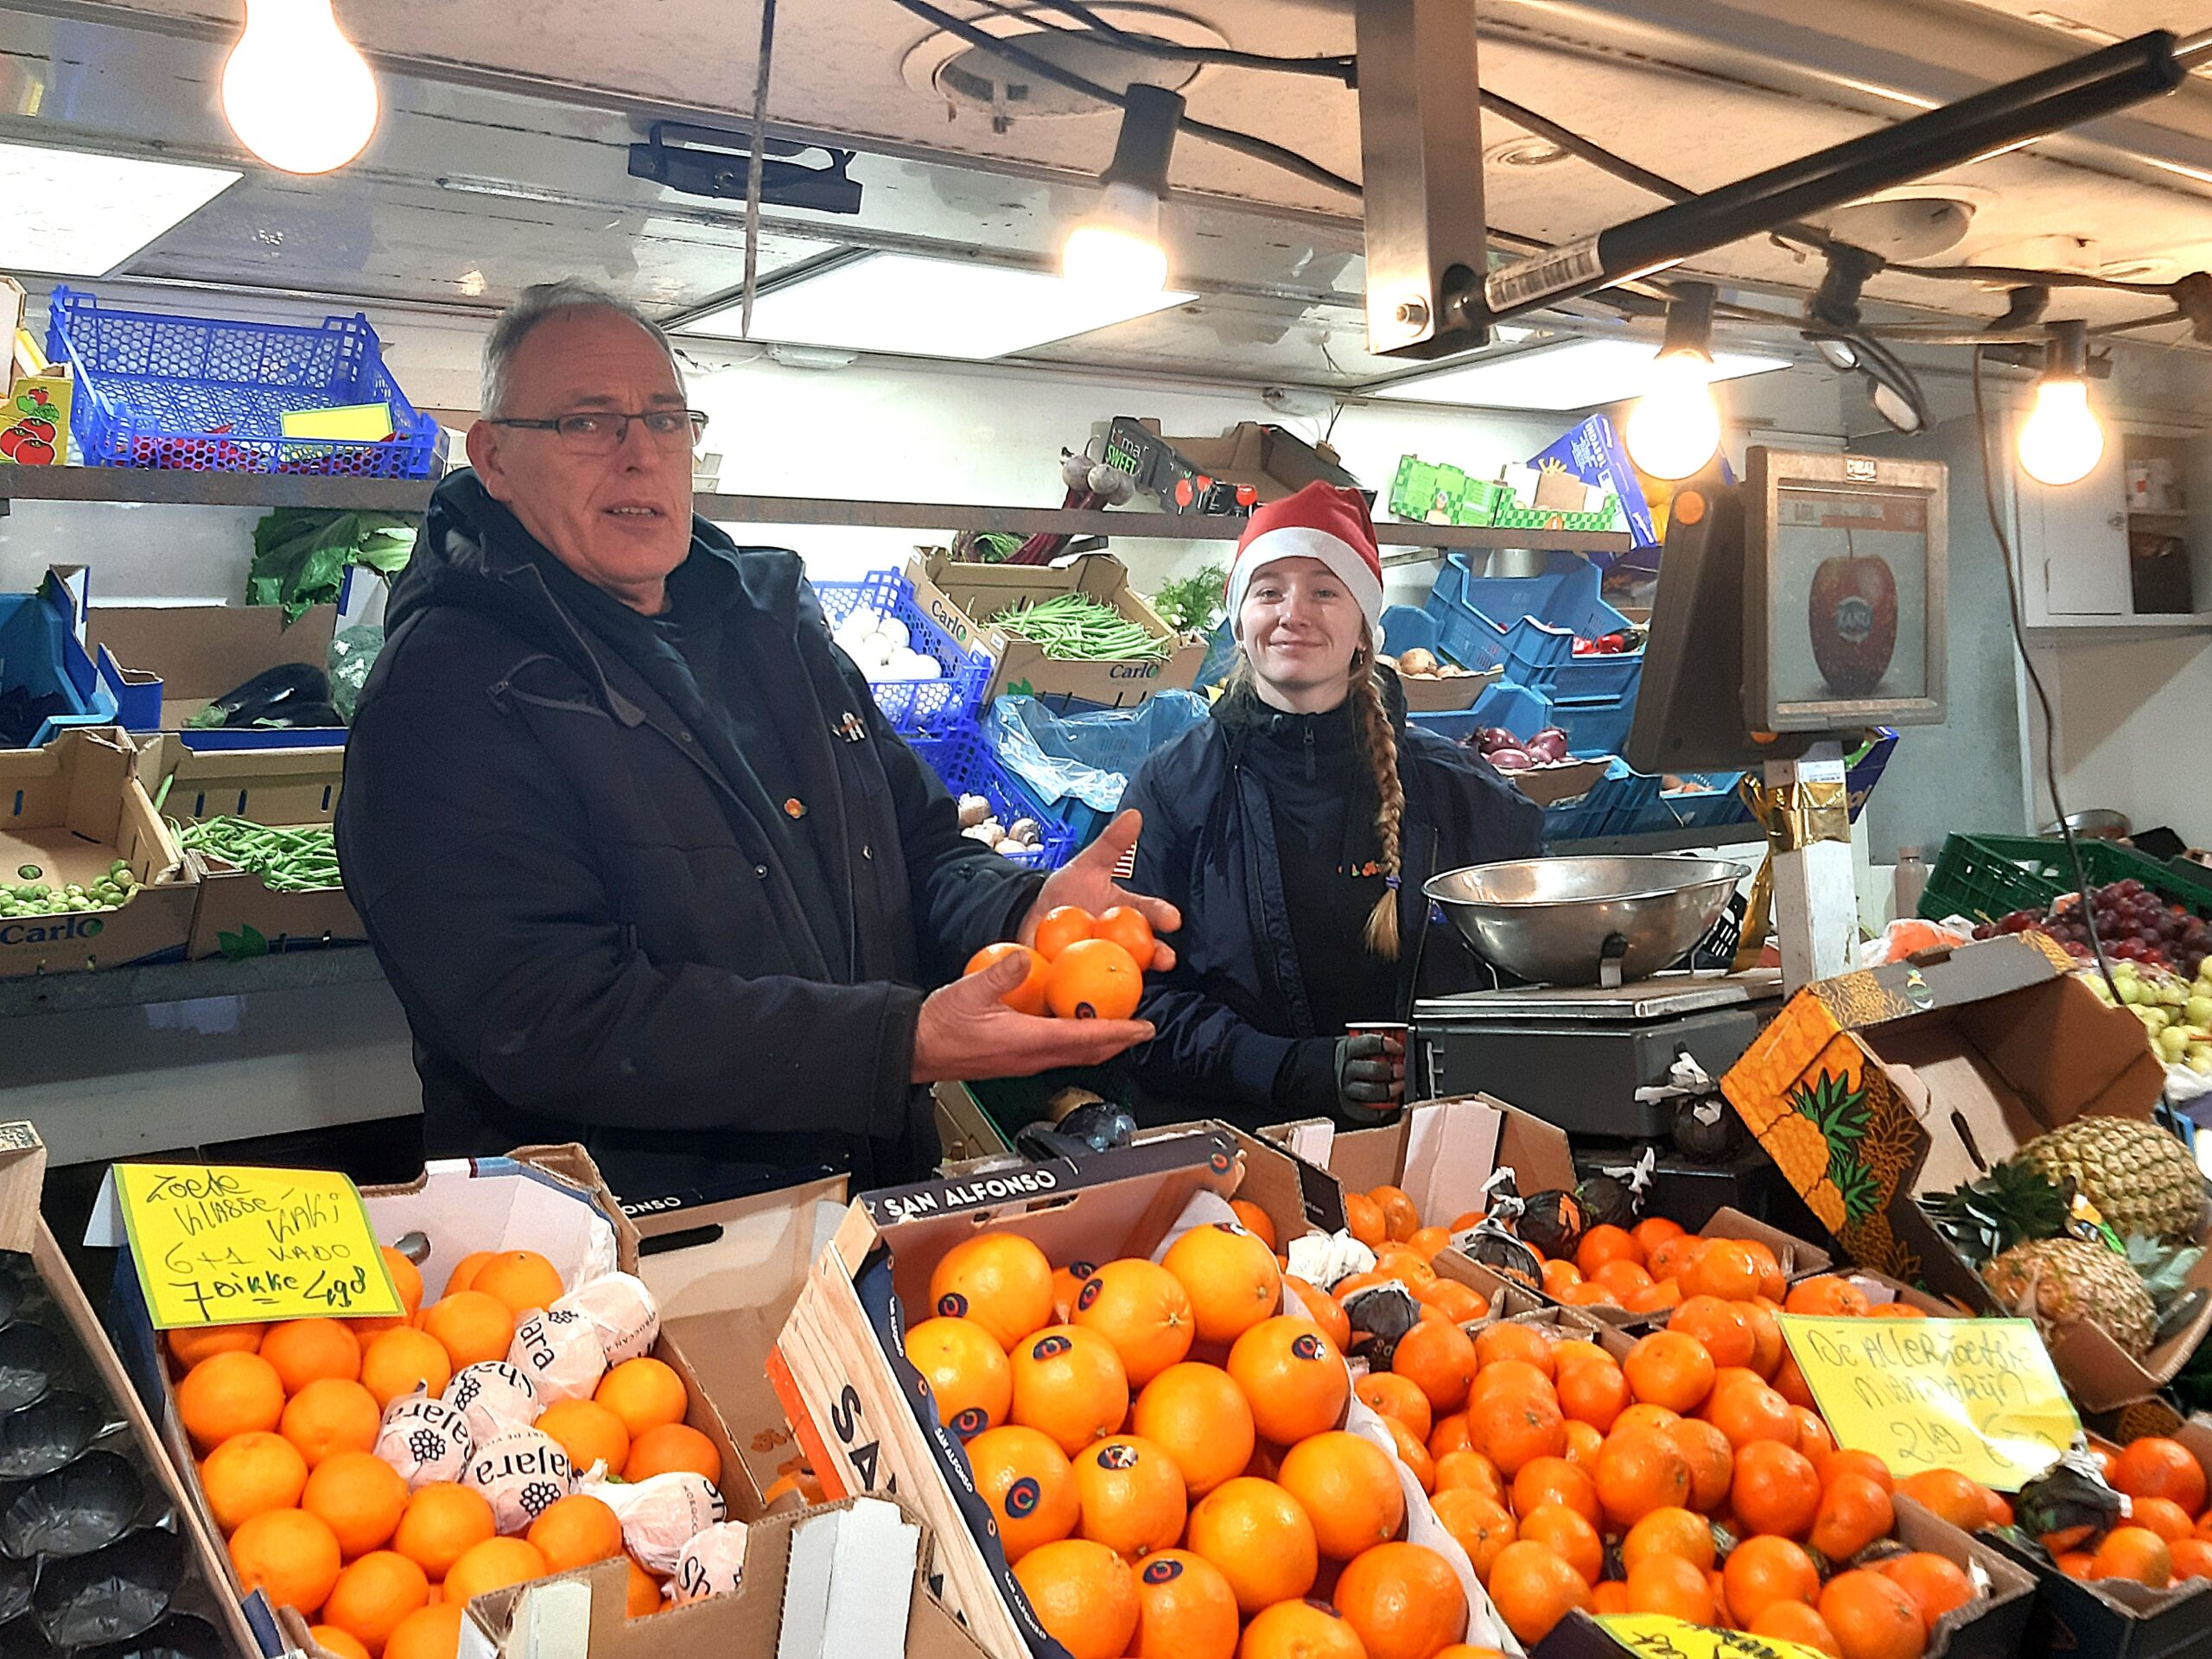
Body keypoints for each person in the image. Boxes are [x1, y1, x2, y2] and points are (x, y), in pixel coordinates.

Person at [336, 279, 1175, 1202]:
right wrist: (893, 1043)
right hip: (632, 1233)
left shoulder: (773, 629)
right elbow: (547, 1015)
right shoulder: (448, 692)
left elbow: (915, 850)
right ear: (494, 457)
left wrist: (1022, 915)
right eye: (587, 423)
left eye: (665, 420)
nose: (639, 454)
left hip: (860, 1197)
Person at [1119, 482, 1544, 1129]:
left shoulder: (1463, 795)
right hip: (1242, 1152)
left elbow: (1536, 978)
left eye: (1324, 590)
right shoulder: (1173, 791)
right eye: (1269, 592)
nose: (1294, 613)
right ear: (1241, 622)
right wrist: (1295, 1070)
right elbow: (1137, 1003)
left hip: (1437, 1150)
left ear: (1363, 628)